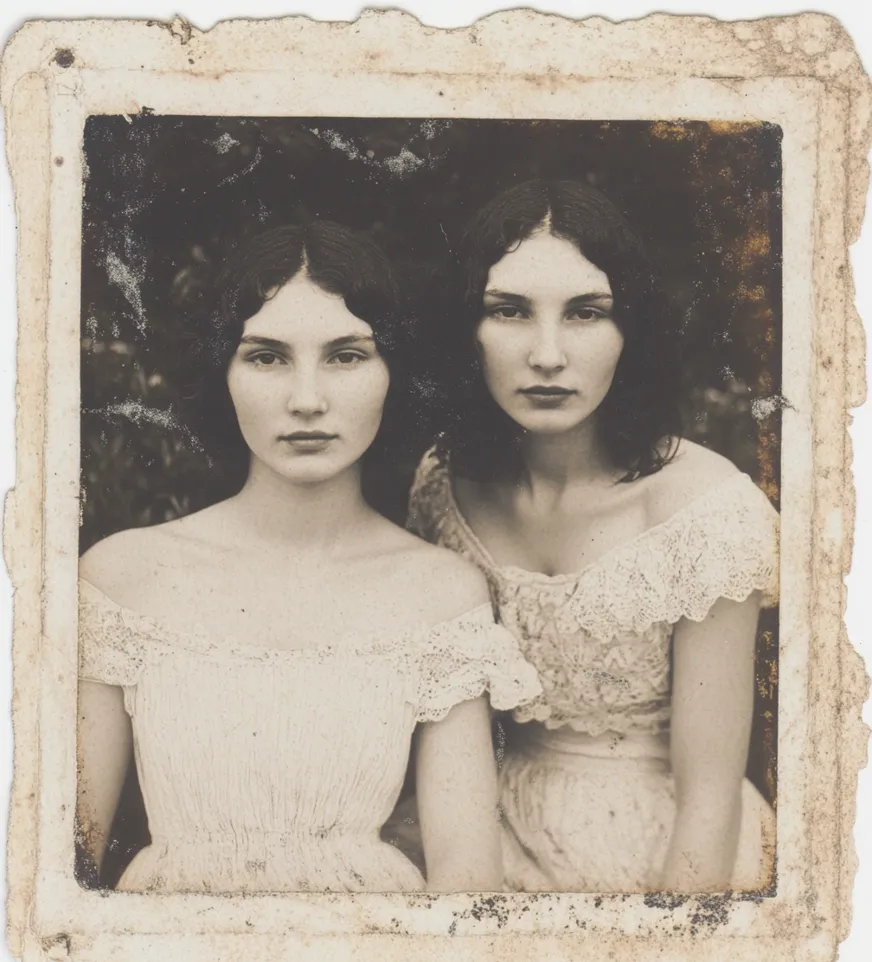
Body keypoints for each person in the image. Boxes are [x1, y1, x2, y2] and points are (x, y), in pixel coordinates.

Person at [76, 221, 541, 894]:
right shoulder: (125, 576)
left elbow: (467, 885)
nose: (306, 400)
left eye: (346, 356)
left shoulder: (442, 592)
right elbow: (62, 872)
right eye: (266, 357)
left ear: (393, 372)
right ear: (222, 371)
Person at [408, 179, 779, 893]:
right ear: (468, 329)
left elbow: (710, 794)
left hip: (660, 844)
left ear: (629, 332)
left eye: (585, 313)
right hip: (479, 829)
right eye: (509, 311)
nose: (547, 354)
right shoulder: (443, 482)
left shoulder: (702, 510)